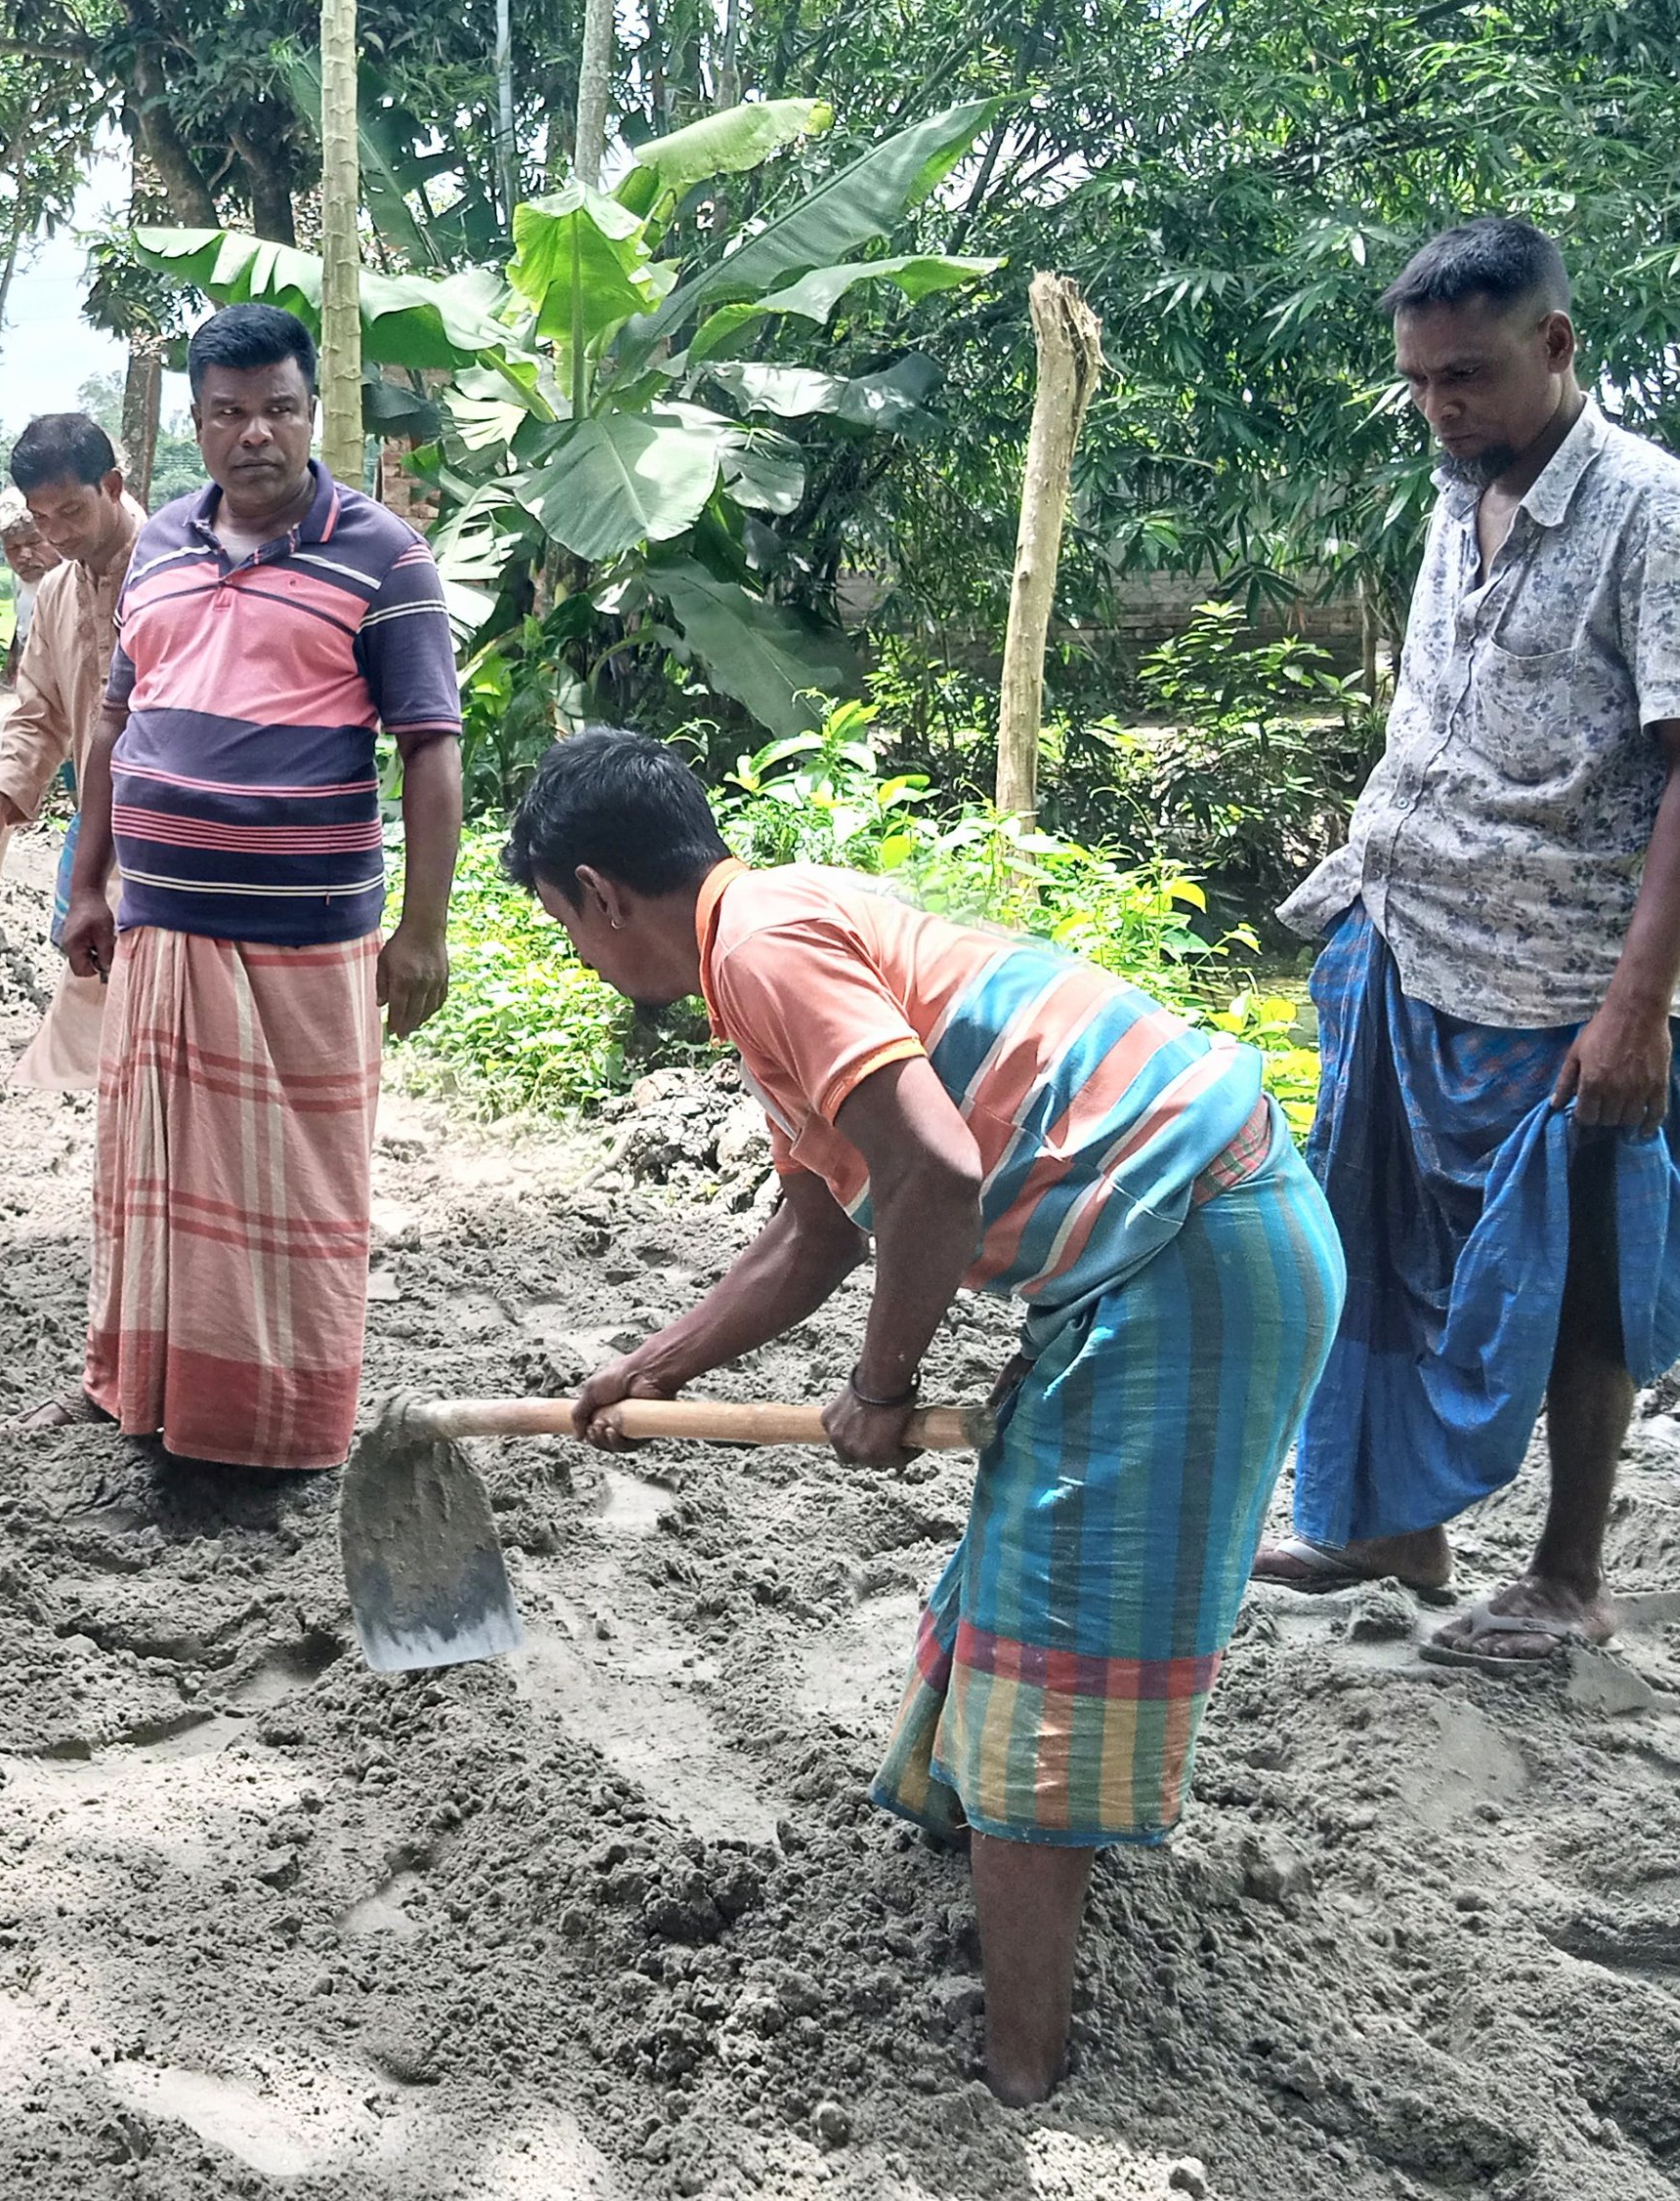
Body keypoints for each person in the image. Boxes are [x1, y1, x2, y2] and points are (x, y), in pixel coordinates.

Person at [509, 726, 1342, 2104]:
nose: (586, 961)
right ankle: (1006, 1928)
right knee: (1017, 1574)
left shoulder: (768, 948)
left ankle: (1024, 2069)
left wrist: (882, 1387)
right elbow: (821, 1227)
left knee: (1052, 1641)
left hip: (1195, 1253)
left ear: (601, 894)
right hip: (1164, 1252)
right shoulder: (771, 935)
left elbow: (939, 1175)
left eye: (568, 931)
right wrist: (659, 1363)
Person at [1250, 218, 1680, 1667]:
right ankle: (1389, 1525)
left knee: (1589, 1261)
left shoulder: (1660, 518)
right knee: (1380, 1241)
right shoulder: (1453, 490)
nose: (1439, 407)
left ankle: (1570, 1571)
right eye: (1417, 381)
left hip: (1567, 978)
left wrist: (1639, 1010)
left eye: (1465, 375)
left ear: (1556, 344)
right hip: (1411, 941)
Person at [53, 305, 460, 1466]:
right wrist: (86, 886)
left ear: (310, 412)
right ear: (195, 424)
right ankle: (146, 1397)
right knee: (152, 1184)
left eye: (278, 408)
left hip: (305, 944)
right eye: (228, 412)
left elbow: (431, 746)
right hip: (160, 931)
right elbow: (115, 727)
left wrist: (424, 931)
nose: (256, 435)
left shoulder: (384, 555)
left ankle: (274, 1431)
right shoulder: (163, 547)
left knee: (295, 1203)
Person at [0, 413, 144, 1090]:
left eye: (71, 510)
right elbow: (39, 709)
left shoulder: (177, 570)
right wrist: (0, 797)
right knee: (96, 987)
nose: (58, 534)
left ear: (113, 486)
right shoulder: (58, 592)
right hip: (104, 830)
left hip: (183, 835)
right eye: (43, 519)